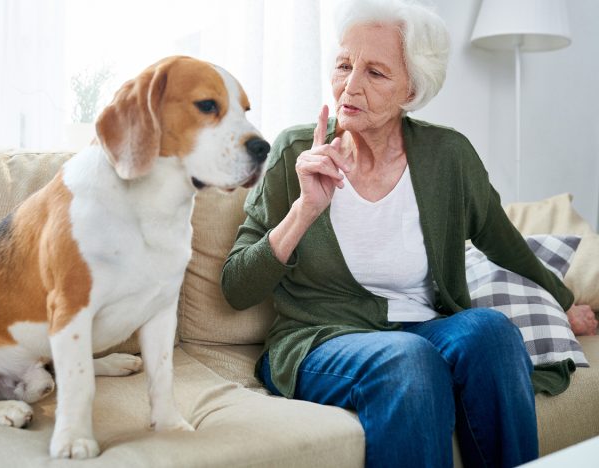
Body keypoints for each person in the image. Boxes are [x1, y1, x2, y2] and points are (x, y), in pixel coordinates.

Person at [221, 0, 593, 466]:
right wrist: (303, 209)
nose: (349, 86)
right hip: (319, 338)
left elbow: (501, 239)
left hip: (425, 325)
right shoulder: (296, 150)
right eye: (342, 65)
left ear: (412, 89)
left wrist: (562, 302)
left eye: (375, 73)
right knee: (409, 358)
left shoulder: (448, 156)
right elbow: (236, 287)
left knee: (493, 332)